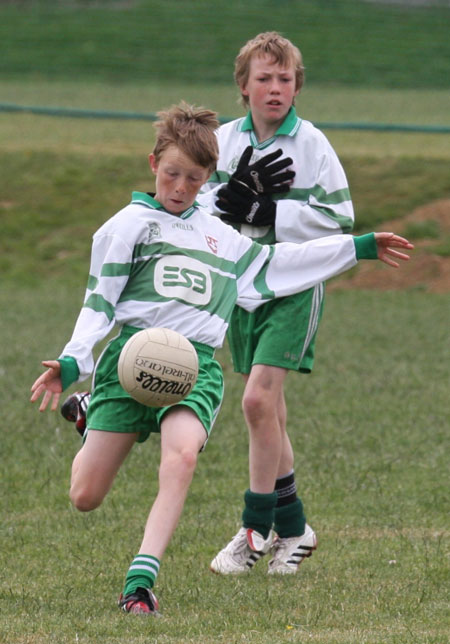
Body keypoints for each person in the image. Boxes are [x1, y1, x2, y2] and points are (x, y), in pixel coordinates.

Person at [30, 102, 412, 616]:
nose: (181, 187)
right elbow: (98, 304)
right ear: (152, 165)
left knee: (182, 456)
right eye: (171, 174)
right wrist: (73, 361)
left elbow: (278, 262)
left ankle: (140, 583)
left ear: (208, 177)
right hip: (127, 364)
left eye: (193, 177)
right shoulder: (127, 227)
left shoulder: (220, 236)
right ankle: (87, 411)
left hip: (194, 370)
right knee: (85, 496)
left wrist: (357, 246)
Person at [197, 31, 357, 575]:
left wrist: (272, 213)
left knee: (257, 404)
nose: (274, 88)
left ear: (296, 86)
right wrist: (226, 198)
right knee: (271, 412)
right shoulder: (222, 141)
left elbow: (340, 222)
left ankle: (254, 529)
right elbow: (193, 209)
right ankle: (296, 528)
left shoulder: (311, 144)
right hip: (239, 291)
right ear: (243, 86)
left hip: (292, 288)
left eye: (284, 79)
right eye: (263, 78)